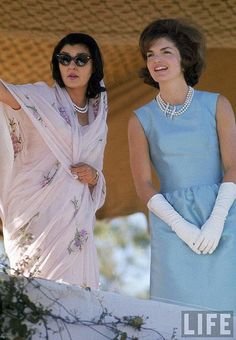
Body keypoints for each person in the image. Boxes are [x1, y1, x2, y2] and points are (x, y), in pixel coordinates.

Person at [128, 18, 236, 311]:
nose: (157, 60)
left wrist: (216, 222)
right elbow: (143, 184)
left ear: (184, 58)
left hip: (223, 217)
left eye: (166, 52)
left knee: (224, 317)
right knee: (176, 318)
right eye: (150, 55)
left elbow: (233, 166)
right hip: (171, 226)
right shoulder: (140, 119)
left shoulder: (217, 104)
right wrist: (180, 226)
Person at [0, 33, 108, 288]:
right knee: (35, 292)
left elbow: (96, 171)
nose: (72, 65)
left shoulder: (98, 115)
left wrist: (94, 177)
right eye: (65, 58)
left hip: (74, 216)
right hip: (33, 209)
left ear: (94, 66)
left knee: (75, 297)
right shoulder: (40, 98)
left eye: (81, 59)